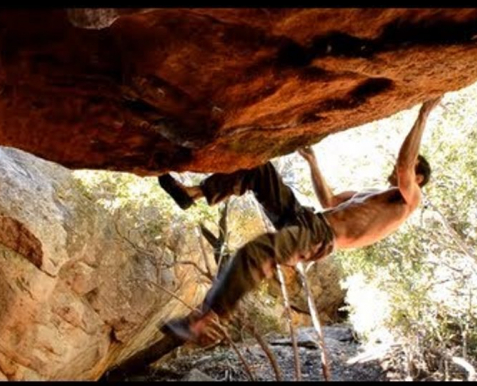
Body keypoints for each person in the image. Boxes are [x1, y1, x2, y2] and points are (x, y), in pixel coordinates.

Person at [157, 96, 443, 342]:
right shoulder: (371, 193)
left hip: (320, 237)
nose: (396, 167)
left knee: (258, 251)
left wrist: (423, 114)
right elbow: (329, 201)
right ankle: (193, 193)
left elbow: (405, 163)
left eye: (409, 169)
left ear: (418, 178)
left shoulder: (409, 200)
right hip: (307, 217)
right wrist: (313, 163)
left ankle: (202, 320)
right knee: (259, 170)